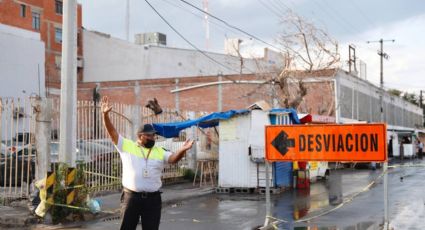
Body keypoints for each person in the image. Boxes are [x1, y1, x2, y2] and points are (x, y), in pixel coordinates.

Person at [101, 96, 194, 230]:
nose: (153, 137)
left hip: (153, 200)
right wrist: (105, 116)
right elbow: (112, 133)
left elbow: (173, 159)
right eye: (149, 135)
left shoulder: (159, 151)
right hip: (131, 198)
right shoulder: (126, 146)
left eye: (154, 135)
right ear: (140, 136)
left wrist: (183, 150)